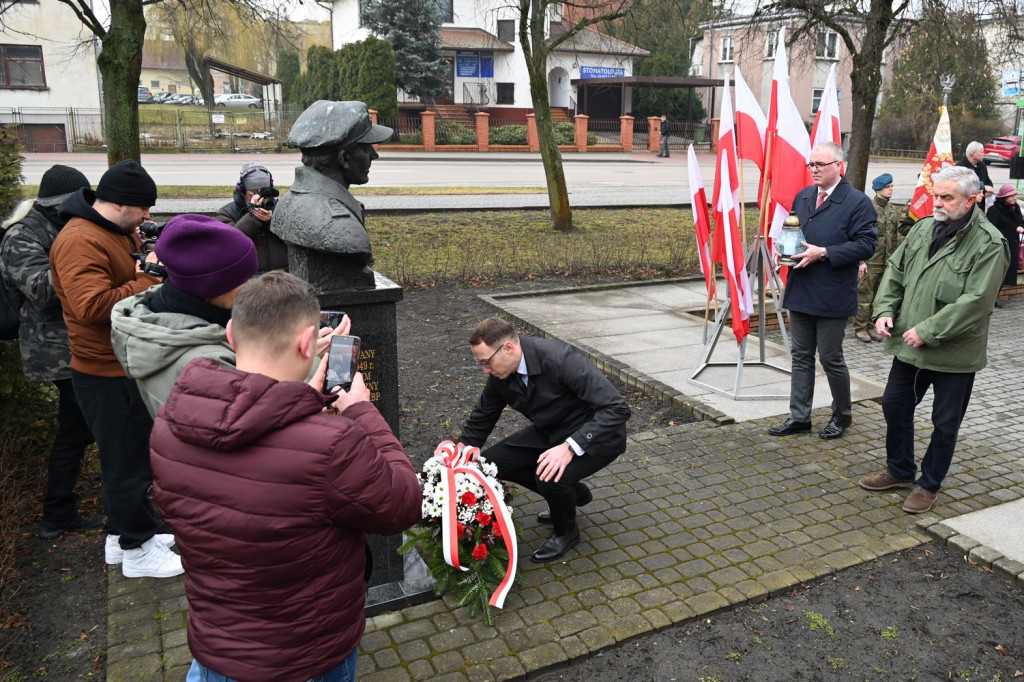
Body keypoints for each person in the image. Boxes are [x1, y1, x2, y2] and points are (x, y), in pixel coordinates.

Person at [149, 271, 421, 682]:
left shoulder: (171, 424)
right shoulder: (330, 445)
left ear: (231, 335)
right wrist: (362, 412)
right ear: (306, 343)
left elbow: (249, 444)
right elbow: (402, 503)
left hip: (216, 650)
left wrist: (304, 398)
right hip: (302, 658)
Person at [49, 160, 182, 578]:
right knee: (126, 463)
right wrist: (147, 280)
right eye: (143, 209)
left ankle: (120, 535)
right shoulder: (79, 241)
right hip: (105, 369)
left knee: (127, 457)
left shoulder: (109, 230)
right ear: (122, 204)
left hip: (120, 363)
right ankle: (138, 550)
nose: (147, 217)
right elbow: (90, 307)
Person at [862, 165, 1008, 514]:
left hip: (953, 354)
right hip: (909, 348)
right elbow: (896, 271)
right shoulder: (924, 228)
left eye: (947, 197)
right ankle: (900, 470)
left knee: (945, 424)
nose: (937, 203)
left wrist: (928, 331)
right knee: (894, 406)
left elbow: (977, 302)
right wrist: (884, 309)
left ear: (971, 200)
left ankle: (928, 484)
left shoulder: (990, 243)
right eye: (936, 195)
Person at [457, 317, 630, 563]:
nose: (485, 369)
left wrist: (571, 447)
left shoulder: (562, 359)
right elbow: (483, 416)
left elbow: (617, 409)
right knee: (492, 465)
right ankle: (573, 494)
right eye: (480, 363)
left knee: (548, 476)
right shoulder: (501, 373)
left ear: (508, 348)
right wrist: (462, 448)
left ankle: (566, 532)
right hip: (551, 430)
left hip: (599, 436)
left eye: (486, 362)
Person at [0, 165, 101, 539]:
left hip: (77, 342)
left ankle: (59, 513)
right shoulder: (22, 236)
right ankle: (58, 515)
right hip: (54, 350)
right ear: (60, 203)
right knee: (82, 430)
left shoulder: (61, 228)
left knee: (78, 430)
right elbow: (41, 290)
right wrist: (83, 258)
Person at [768, 141, 877, 440]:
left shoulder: (857, 201)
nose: (814, 169)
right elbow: (794, 232)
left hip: (832, 293)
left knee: (830, 358)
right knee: (801, 356)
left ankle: (842, 415)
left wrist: (825, 252)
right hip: (801, 289)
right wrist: (783, 250)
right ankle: (800, 417)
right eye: (811, 164)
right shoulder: (803, 196)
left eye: (820, 164)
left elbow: (867, 244)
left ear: (838, 166)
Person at [111, 214, 259, 416]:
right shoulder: (209, 363)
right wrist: (304, 363)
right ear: (214, 286)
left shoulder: (159, 311)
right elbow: (254, 422)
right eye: (243, 279)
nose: (250, 286)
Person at [272, 100, 394, 290]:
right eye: (366, 147)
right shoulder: (337, 227)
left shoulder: (287, 203)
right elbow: (349, 243)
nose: (374, 155)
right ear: (344, 158)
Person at [853, 173, 912, 342]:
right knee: (865, 296)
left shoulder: (893, 210)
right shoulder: (868, 208)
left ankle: (872, 326)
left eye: (892, 186)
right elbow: (859, 235)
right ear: (879, 189)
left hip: (887, 261)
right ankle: (860, 327)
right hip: (871, 261)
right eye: (888, 187)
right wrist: (861, 261)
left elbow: (897, 236)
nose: (891, 189)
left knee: (879, 296)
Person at [215, 162, 288, 273]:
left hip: (283, 276)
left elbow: (297, 237)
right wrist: (252, 218)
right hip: (248, 278)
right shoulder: (227, 213)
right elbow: (229, 242)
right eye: (253, 193)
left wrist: (271, 222)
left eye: (263, 192)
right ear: (243, 190)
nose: (259, 197)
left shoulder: (282, 208)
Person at [985, 183, 1024, 307]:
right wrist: (1015, 227)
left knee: (1005, 273)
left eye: (1014, 196)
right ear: (1003, 197)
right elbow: (991, 228)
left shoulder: (1015, 208)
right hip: (999, 245)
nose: (1013, 198)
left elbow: (1021, 222)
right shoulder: (994, 210)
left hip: (1012, 245)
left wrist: (1021, 227)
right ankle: (991, 297)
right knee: (997, 272)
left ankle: (995, 296)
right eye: (1010, 196)